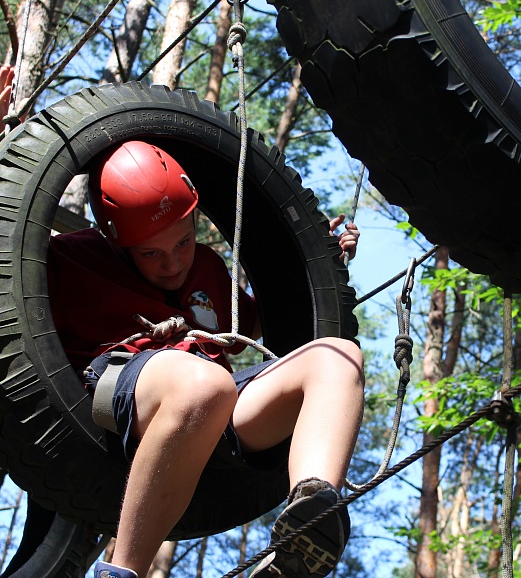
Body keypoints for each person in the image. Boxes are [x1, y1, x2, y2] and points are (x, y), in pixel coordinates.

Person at [47, 140, 365, 578]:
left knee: (338, 357)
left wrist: (325, 257)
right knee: (205, 387)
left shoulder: (209, 269)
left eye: (183, 241)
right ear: (116, 243)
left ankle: (310, 522)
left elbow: (256, 322)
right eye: (151, 253)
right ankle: (121, 570)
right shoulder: (71, 258)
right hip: (124, 382)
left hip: (213, 404)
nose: (173, 262)